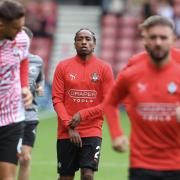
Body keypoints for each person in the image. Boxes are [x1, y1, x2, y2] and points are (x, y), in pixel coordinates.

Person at [104, 15, 180, 180]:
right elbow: (111, 102)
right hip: (141, 164)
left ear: (173, 39)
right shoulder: (133, 69)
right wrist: (117, 133)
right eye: (153, 37)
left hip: (177, 164)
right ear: (144, 39)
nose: (158, 42)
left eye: (163, 37)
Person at [52, 28, 114, 180]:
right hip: (66, 131)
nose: (84, 42)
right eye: (80, 39)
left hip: (92, 130)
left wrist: (83, 114)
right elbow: (57, 99)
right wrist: (69, 126)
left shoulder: (104, 68)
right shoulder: (62, 66)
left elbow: (108, 103)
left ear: (94, 44)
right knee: (65, 177)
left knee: (87, 175)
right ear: (74, 44)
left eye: (88, 39)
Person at [0, 1, 32, 180]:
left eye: (22, 26)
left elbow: (24, 60)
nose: (20, 32)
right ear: (1, 23)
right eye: (15, 28)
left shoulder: (21, 39)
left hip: (11, 118)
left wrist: (24, 86)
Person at [17, 26, 44, 180]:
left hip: (29, 114)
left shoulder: (37, 61)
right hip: (8, 116)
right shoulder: (6, 59)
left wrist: (39, 87)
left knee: (25, 158)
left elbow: (39, 80)